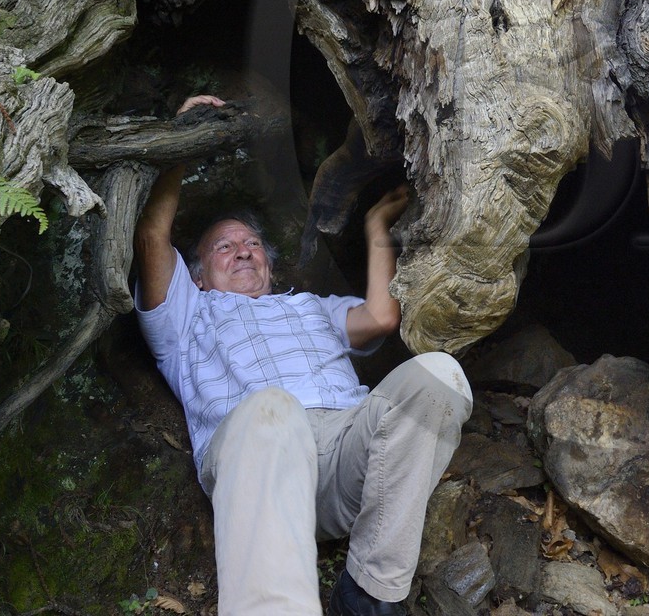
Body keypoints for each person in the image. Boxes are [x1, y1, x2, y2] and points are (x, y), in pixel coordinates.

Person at [134, 95, 471, 616]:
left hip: (346, 458)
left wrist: (377, 232)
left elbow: (382, 317)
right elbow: (153, 236)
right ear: (196, 274)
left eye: (251, 243)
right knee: (275, 408)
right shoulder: (187, 314)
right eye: (224, 247)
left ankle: (370, 591)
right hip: (259, 462)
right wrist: (181, 140)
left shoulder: (312, 307)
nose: (244, 250)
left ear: (270, 266)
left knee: (441, 377)